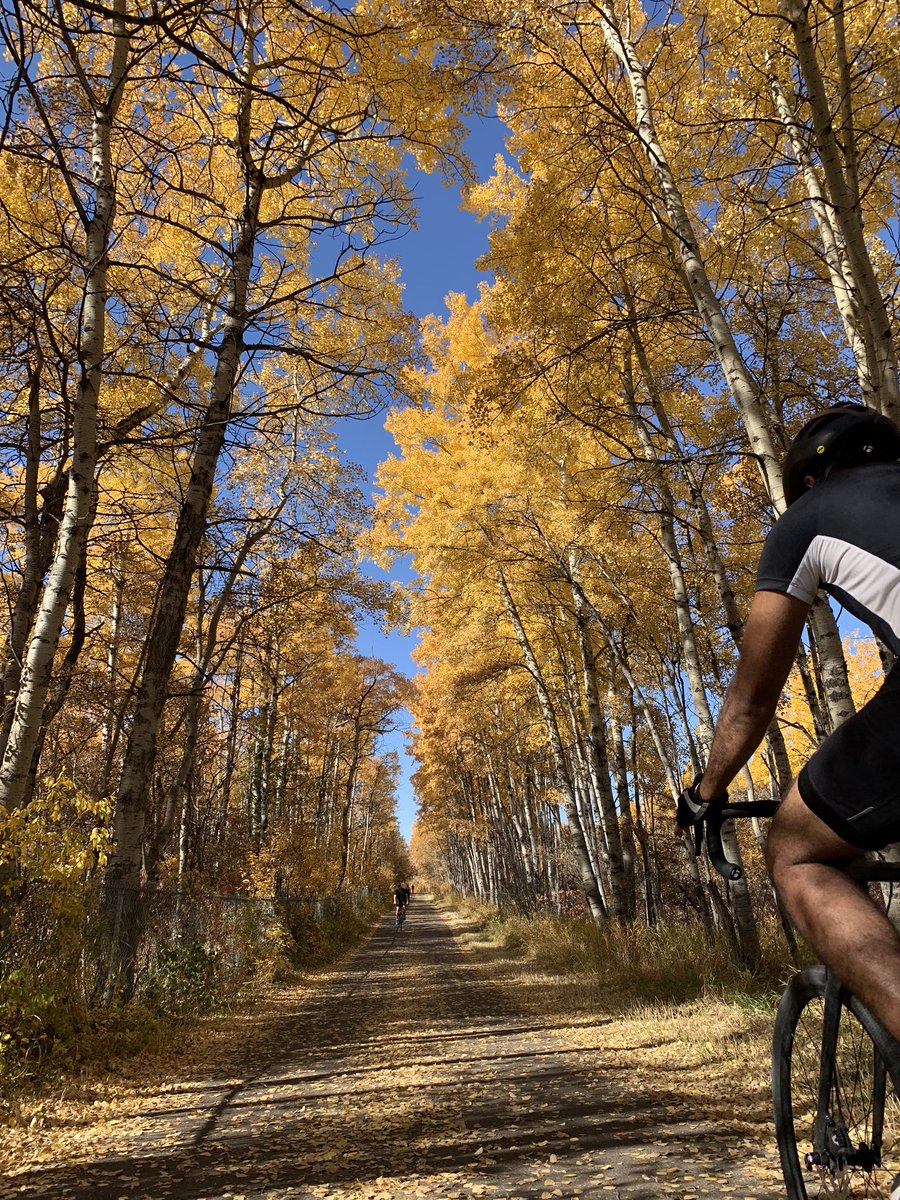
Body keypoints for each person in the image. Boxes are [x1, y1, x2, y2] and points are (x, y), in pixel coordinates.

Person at [677, 403, 900, 1044]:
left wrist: (706, 791)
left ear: (808, 478)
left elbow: (751, 700)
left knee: (797, 851)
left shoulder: (808, 519)